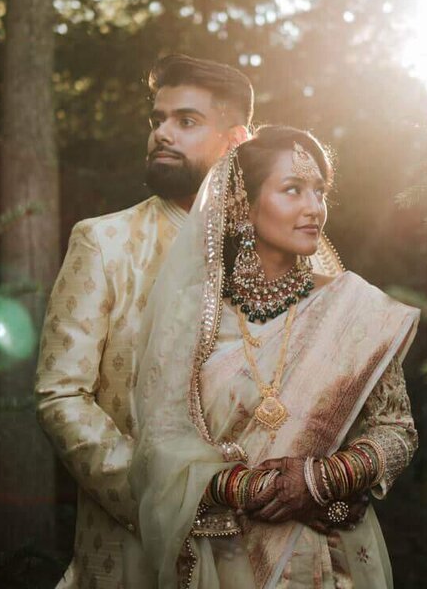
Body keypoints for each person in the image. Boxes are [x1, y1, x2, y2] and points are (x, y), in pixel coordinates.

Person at [131, 126, 418, 588]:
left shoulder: (353, 308)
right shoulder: (194, 315)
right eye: (293, 190)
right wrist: (248, 488)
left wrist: (324, 480)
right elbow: (157, 449)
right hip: (224, 560)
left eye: (319, 192)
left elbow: (396, 432)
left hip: (333, 558)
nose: (314, 208)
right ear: (244, 205)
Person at [35, 55, 255, 588]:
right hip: (128, 554)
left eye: (186, 121)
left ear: (236, 140)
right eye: (156, 120)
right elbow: (61, 395)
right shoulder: (104, 242)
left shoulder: (269, 251)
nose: (161, 134)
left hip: (255, 550)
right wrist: (167, 501)